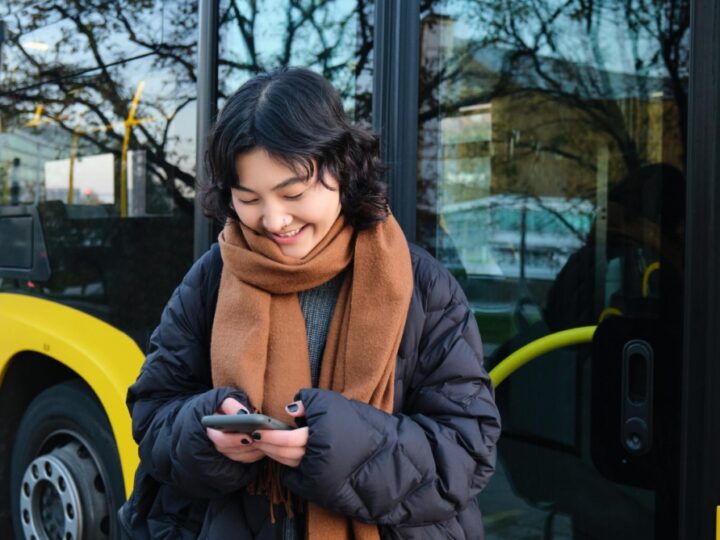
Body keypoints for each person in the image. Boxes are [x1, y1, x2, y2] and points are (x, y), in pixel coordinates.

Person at [118, 67, 500, 540]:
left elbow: (466, 451)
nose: (274, 220)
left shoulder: (424, 287)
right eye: (248, 198)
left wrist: (331, 445)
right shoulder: (212, 279)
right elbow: (154, 414)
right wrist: (204, 434)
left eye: (293, 193)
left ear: (341, 167)